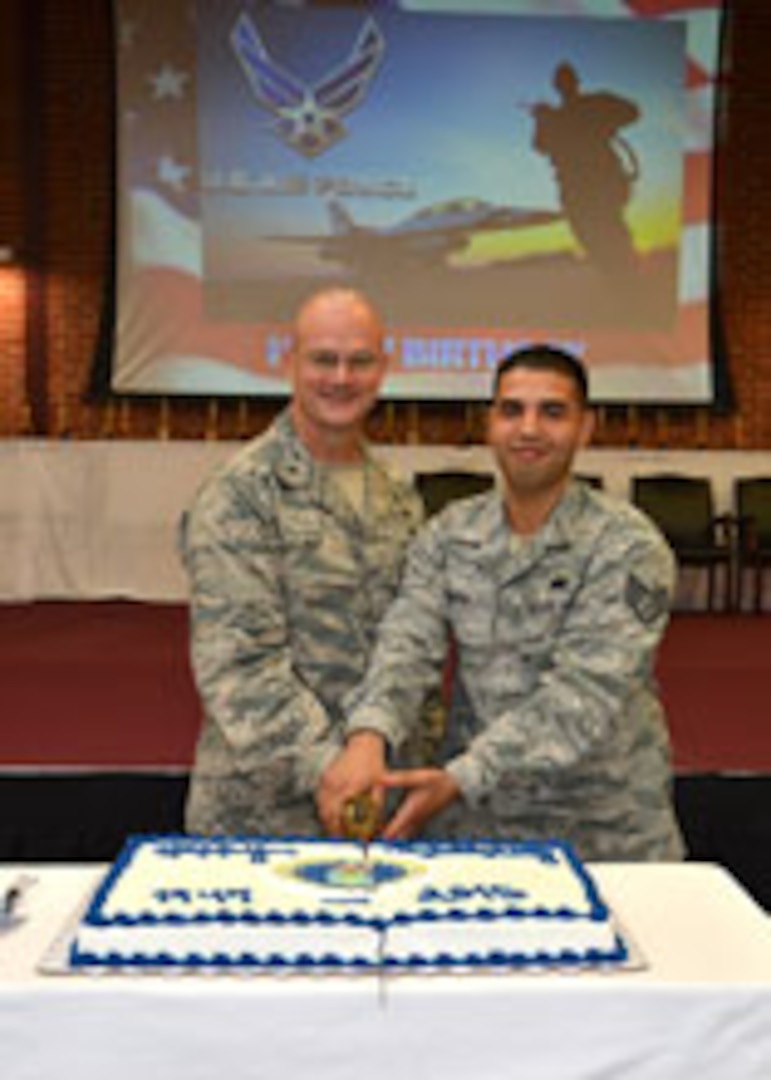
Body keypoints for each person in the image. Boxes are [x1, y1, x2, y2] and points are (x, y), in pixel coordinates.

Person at [318, 344, 685, 862]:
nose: (529, 429)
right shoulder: (449, 534)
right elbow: (406, 644)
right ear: (490, 423)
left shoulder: (628, 546)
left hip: (601, 830)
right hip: (479, 829)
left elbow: (581, 697)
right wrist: (368, 735)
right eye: (512, 410)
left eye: (552, 412)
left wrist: (459, 777)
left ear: (585, 428)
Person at [179, 287, 430, 836]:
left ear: (383, 369)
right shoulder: (240, 494)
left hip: (379, 800)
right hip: (263, 814)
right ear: (289, 362)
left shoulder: (398, 495)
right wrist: (334, 769)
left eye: (360, 361)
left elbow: (410, 640)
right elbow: (240, 666)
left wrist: (376, 747)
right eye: (323, 359)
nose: (341, 378)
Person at [530, 62, 640, 275]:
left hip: (599, 184)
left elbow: (632, 112)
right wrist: (542, 120)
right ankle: (624, 285)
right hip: (577, 189)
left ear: (572, 83)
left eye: (565, 81)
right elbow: (540, 146)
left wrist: (602, 121)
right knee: (598, 242)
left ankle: (630, 285)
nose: (564, 86)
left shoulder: (595, 103)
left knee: (611, 238)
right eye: (561, 82)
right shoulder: (556, 117)